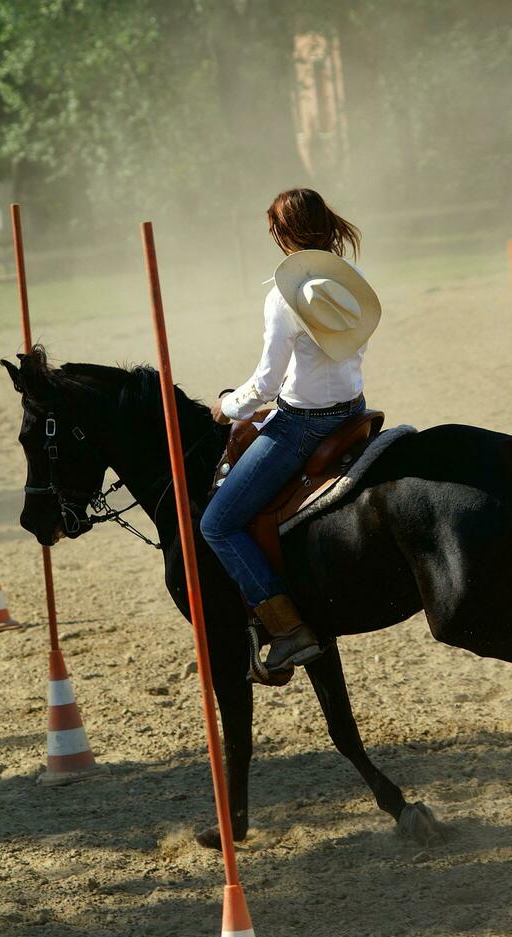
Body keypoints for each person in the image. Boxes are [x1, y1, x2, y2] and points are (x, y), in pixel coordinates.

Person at [200, 188, 381, 673]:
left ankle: (286, 627)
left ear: (281, 235)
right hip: (354, 409)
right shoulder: (353, 280)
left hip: (303, 424)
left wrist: (228, 407)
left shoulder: (282, 297)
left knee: (217, 523)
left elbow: (265, 383)